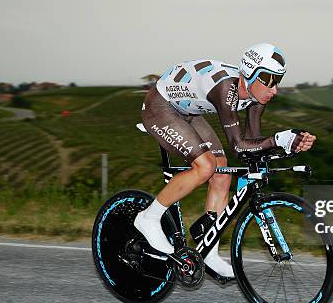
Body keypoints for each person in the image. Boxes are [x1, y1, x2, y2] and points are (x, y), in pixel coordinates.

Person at [134, 43, 316, 278]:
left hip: (188, 112)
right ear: (249, 74)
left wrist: (289, 146)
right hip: (160, 107)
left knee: (222, 173)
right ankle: (148, 218)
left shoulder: (256, 97)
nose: (275, 89)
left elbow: (251, 147)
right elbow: (238, 145)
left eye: (278, 80)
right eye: (268, 79)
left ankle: (208, 250)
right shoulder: (225, 89)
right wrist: (278, 139)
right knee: (206, 166)